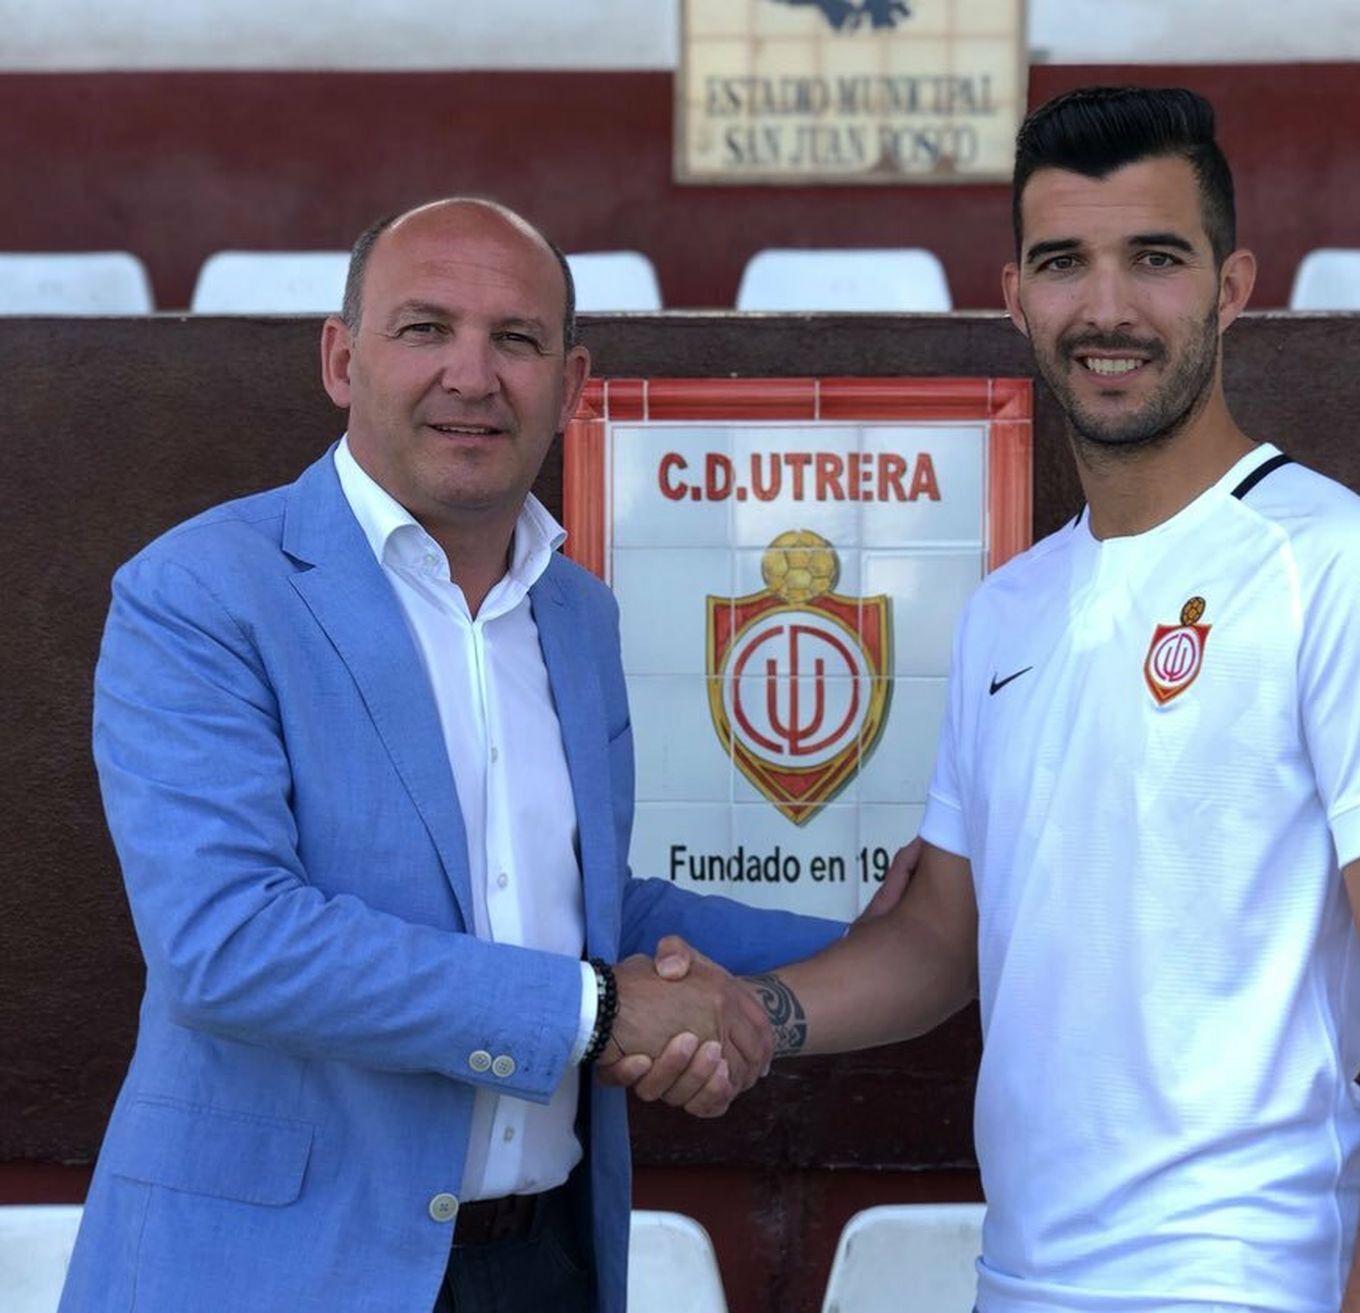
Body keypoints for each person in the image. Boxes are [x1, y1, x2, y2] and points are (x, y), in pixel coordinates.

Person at [653, 87, 1360, 1312]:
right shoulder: (1011, 605)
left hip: (1250, 1280)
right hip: (1023, 1275)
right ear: (1015, 297)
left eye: (1154, 259)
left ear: (1231, 284)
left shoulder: (1343, 571)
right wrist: (751, 1011)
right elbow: (944, 937)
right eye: (1064, 264)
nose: (1106, 308)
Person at [60, 197, 890, 1313]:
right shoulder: (204, 591)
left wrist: (883, 932)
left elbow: (587, 912)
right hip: (275, 1270)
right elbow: (228, 941)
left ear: (572, 380)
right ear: (340, 359)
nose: (472, 373)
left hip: (543, 1262)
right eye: (424, 328)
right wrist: (596, 1011)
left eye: (515, 338)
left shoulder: (578, 615)